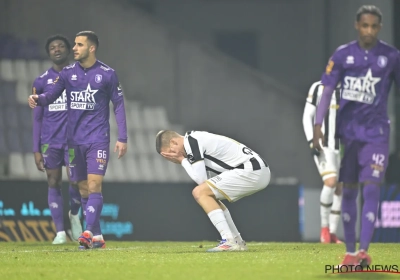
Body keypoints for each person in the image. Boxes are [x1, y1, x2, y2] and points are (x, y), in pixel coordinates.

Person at [313, 5, 400, 267]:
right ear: (357, 26)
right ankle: (350, 253)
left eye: (374, 26)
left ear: (379, 28)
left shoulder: (391, 56)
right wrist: (319, 124)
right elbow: (327, 90)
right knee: (348, 192)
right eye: (365, 26)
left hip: (377, 133)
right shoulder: (343, 55)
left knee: (371, 188)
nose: (369, 31)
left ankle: (363, 250)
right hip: (348, 135)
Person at [29, 31, 128, 249]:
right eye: (74, 44)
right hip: (73, 141)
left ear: (91, 48)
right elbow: (52, 95)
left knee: (94, 185)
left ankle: (87, 232)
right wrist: (39, 98)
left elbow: (118, 105)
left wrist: (122, 137)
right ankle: (98, 237)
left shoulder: (107, 74)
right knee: (83, 188)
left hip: (97, 139)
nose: (74, 48)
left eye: (79, 44)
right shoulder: (67, 73)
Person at [156, 130, 270, 252]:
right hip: (256, 169)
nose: (172, 159)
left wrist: (181, 160)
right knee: (209, 195)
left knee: (199, 192)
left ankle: (229, 241)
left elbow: (200, 180)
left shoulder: (191, 142)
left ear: (173, 142)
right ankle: (237, 241)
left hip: (251, 170)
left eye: (171, 154)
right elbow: (206, 181)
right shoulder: (195, 138)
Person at [32, 34, 82, 244]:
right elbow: (37, 117)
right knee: (53, 181)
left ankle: (74, 215)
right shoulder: (41, 81)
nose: (57, 49)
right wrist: (36, 149)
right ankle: (60, 232)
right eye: (53, 47)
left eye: (61, 46)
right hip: (50, 140)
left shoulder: (80, 76)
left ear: (68, 50)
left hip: (73, 139)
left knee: (75, 181)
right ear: (49, 53)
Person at [302, 81, 342, 244]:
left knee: (340, 189)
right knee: (330, 181)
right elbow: (307, 116)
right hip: (323, 145)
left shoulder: (351, 89)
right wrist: (312, 141)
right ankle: (324, 229)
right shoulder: (318, 87)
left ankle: (332, 232)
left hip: (342, 146)